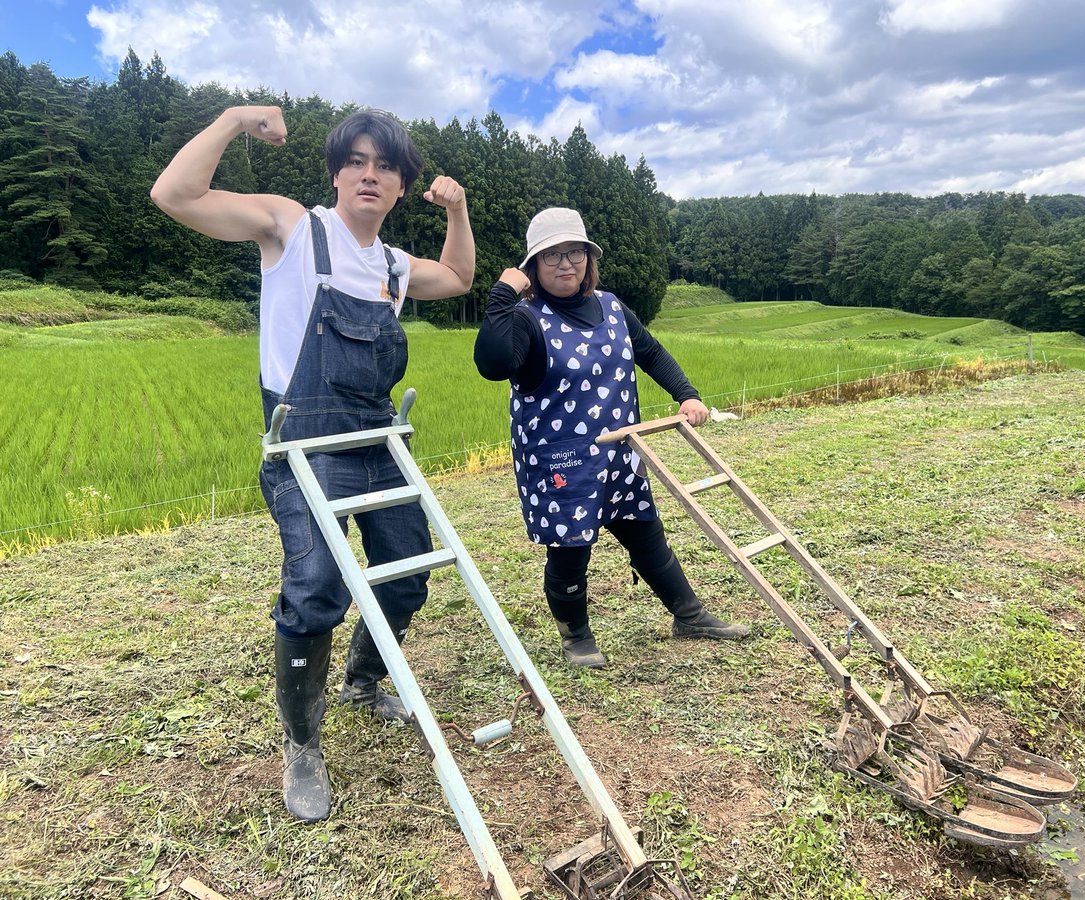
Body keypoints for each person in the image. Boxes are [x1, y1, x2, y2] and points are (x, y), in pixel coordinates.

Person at [151, 106, 474, 823]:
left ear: (399, 187)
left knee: (408, 574)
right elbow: (174, 196)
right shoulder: (292, 228)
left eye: (385, 166)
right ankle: (301, 742)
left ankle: (363, 680)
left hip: (376, 440)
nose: (369, 173)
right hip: (303, 442)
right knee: (317, 585)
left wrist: (458, 210)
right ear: (336, 174)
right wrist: (235, 120)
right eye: (356, 161)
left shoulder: (392, 265)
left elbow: (455, 276)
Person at [474, 207, 749, 668]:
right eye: (552, 255)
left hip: (621, 452)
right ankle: (576, 639)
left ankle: (690, 615)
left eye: (575, 252)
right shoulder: (526, 318)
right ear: (533, 267)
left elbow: (651, 352)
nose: (566, 263)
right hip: (562, 461)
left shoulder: (612, 306)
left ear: (588, 257)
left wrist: (687, 395)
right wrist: (502, 296)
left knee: (647, 536)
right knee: (570, 551)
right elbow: (493, 364)